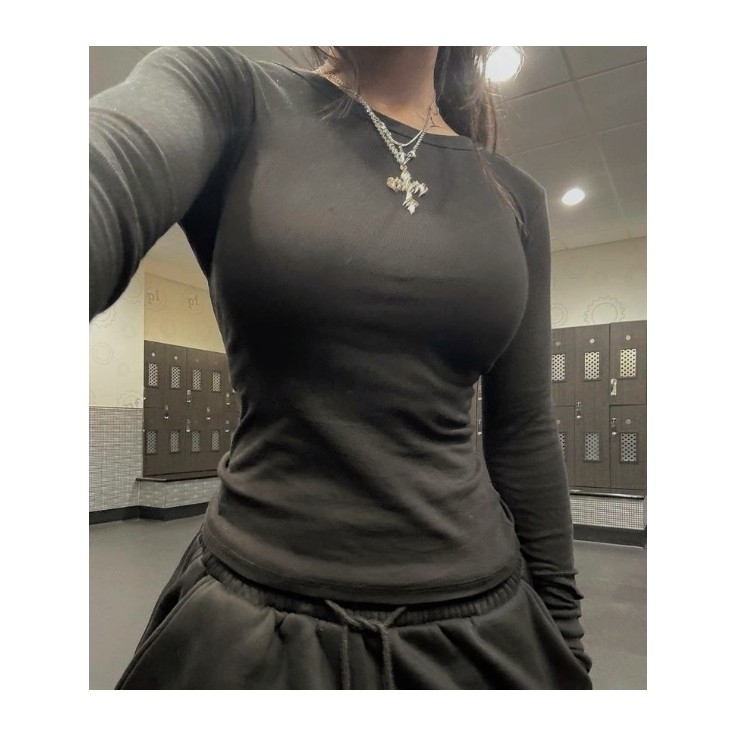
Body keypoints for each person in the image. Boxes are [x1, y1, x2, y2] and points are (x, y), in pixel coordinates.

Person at [90, 45, 593, 689]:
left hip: (485, 627)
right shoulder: (229, 93)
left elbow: (524, 431)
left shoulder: (516, 195)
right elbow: (102, 175)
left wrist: (564, 639)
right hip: (251, 622)